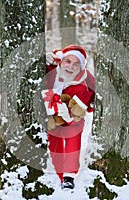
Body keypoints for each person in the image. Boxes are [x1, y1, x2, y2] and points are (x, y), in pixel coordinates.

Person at [42, 45, 95, 189]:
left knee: (72, 142)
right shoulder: (53, 71)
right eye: (68, 61)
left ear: (81, 68)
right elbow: (43, 71)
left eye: (76, 64)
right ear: (61, 61)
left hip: (74, 119)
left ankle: (69, 176)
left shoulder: (81, 84)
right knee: (55, 144)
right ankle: (57, 173)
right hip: (54, 117)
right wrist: (43, 59)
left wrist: (70, 115)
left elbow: (82, 104)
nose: (71, 67)